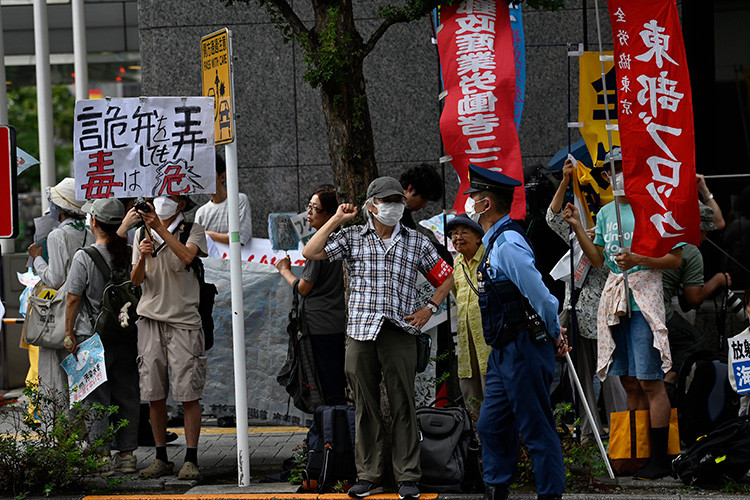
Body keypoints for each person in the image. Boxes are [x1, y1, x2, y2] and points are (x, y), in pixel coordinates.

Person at [302, 177, 454, 500]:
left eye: (398, 200)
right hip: (360, 331)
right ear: (371, 205)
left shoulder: (417, 242)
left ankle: (408, 475)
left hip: (400, 331)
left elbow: (446, 276)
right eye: (387, 201)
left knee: (403, 404)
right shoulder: (353, 236)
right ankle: (369, 475)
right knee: (365, 406)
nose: (394, 206)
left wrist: (430, 307)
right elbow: (310, 250)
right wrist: (337, 219)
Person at [563, 147, 682, 480]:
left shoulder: (653, 209)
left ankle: (661, 456)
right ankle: (633, 452)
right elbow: (599, 259)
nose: (617, 174)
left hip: (645, 299)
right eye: (612, 168)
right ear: (605, 176)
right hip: (615, 301)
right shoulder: (604, 213)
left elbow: (675, 260)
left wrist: (641, 260)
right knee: (628, 382)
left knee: (650, 381)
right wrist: (575, 226)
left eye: (624, 167)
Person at [462, 164, 569, 500]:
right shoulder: (493, 242)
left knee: (535, 427)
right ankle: (497, 486)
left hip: (524, 346)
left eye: (474, 198)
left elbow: (541, 294)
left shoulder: (508, 243)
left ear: (486, 205)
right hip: (504, 350)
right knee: (490, 424)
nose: (469, 203)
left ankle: (550, 494)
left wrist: (555, 331)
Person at [547, 159, 627, 443]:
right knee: (579, 379)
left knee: (613, 378)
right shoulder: (576, 228)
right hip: (578, 313)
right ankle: (588, 432)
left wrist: (584, 231)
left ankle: (621, 435)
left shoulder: (615, 230)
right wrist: (566, 182)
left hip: (607, 315)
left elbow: (599, 260)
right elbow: (552, 217)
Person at [131, 195, 208, 480]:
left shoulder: (192, 230)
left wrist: (160, 230)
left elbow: (188, 256)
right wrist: (142, 256)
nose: (162, 201)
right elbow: (136, 280)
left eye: (171, 196)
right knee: (154, 394)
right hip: (150, 321)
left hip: (185, 323)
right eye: (160, 195)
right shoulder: (140, 233)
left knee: (189, 393)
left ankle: (191, 458)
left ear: (182, 205)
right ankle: (161, 457)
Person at [63, 198, 140, 474]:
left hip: (91, 338)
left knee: (96, 398)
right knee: (127, 394)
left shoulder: (85, 256)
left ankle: (101, 457)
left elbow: (73, 298)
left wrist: (68, 333)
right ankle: (128, 456)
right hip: (125, 334)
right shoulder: (129, 252)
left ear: (93, 221)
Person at [275, 184, 347, 403]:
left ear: (328, 215)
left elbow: (303, 288)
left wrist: (285, 271)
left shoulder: (321, 246)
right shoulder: (340, 240)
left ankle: (330, 433)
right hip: (334, 322)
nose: (308, 212)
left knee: (322, 382)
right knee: (332, 380)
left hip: (318, 325)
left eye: (314, 208)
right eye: (308, 206)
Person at [28, 178, 94, 401]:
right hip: (86, 318)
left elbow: (55, 280)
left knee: (56, 382)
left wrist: (37, 259)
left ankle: (61, 433)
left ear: (60, 208)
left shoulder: (57, 235)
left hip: (60, 318)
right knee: (81, 386)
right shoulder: (89, 233)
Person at [662, 202, 731, 391]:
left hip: (639, 305)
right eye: (704, 230)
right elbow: (694, 298)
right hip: (659, 309)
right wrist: (718, 280)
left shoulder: (665, 237)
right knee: (692, 339)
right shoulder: (690, 251)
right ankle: (669, 383)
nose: (706, 236)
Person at [445, 214, 491, 418]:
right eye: (454, 234)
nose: (457, 237)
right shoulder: (456, 263)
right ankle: (479, 444)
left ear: (478, 237)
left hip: (488, 342)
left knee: (493, 394)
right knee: (471, 397)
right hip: (466, 341)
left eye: (464, 232)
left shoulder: (490, 257)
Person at [195, 154, 253, 246]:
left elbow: (239, 238)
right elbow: (196, 243)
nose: (205, 180)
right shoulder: (201, 213)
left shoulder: (239, 200)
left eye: (209, 175)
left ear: (222, 177)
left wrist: (207, 234)